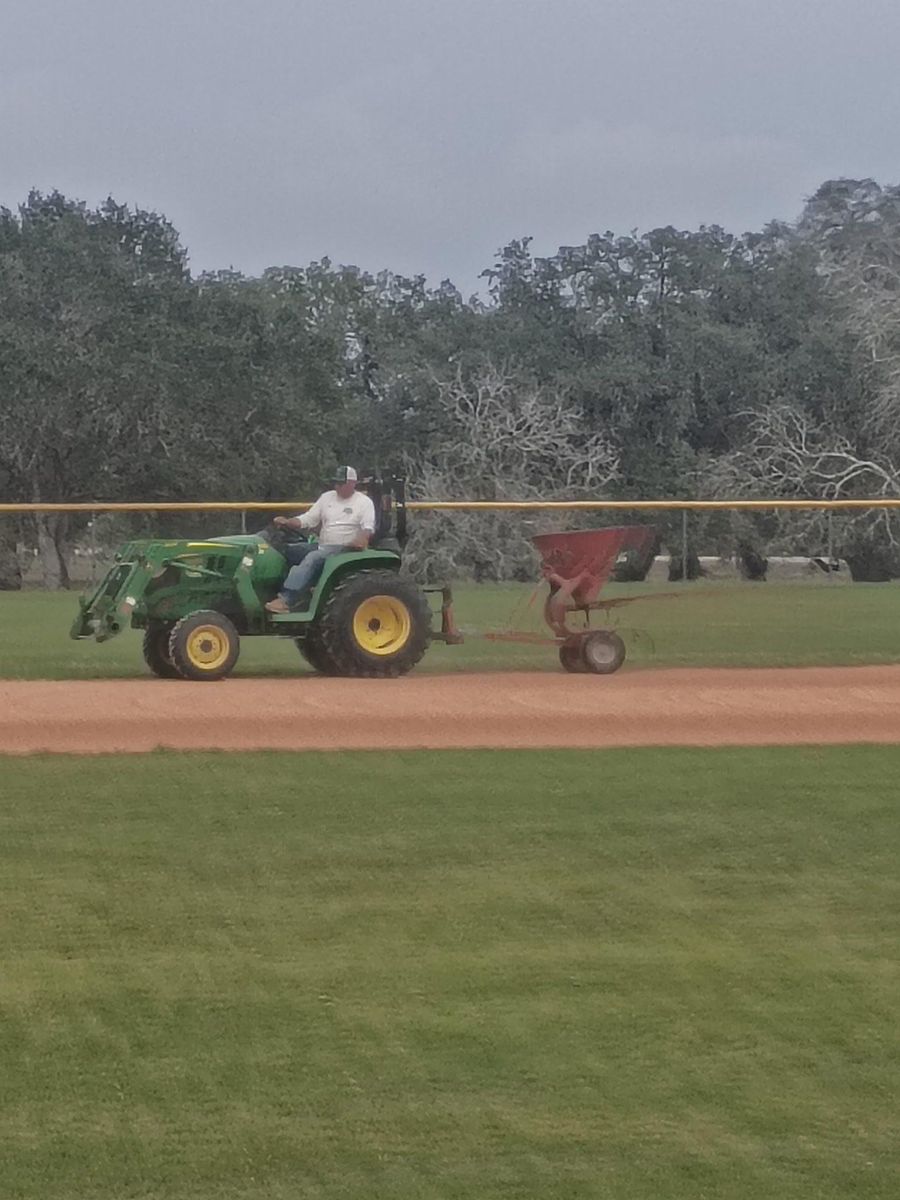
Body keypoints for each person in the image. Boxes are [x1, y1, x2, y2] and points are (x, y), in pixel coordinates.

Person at [265, 466, 376, 612]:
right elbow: (309, 519)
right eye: (335, 483)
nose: (337, 486)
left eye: (341, 483)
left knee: (313, 557)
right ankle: (275, 593)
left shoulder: (364, 502)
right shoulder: (327, 497)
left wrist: (361, 539)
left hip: (345, 549)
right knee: (286, 551)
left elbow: (367, 528)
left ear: (352, 483)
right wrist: (288, 521)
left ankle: (286, 599)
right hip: (323, 545)